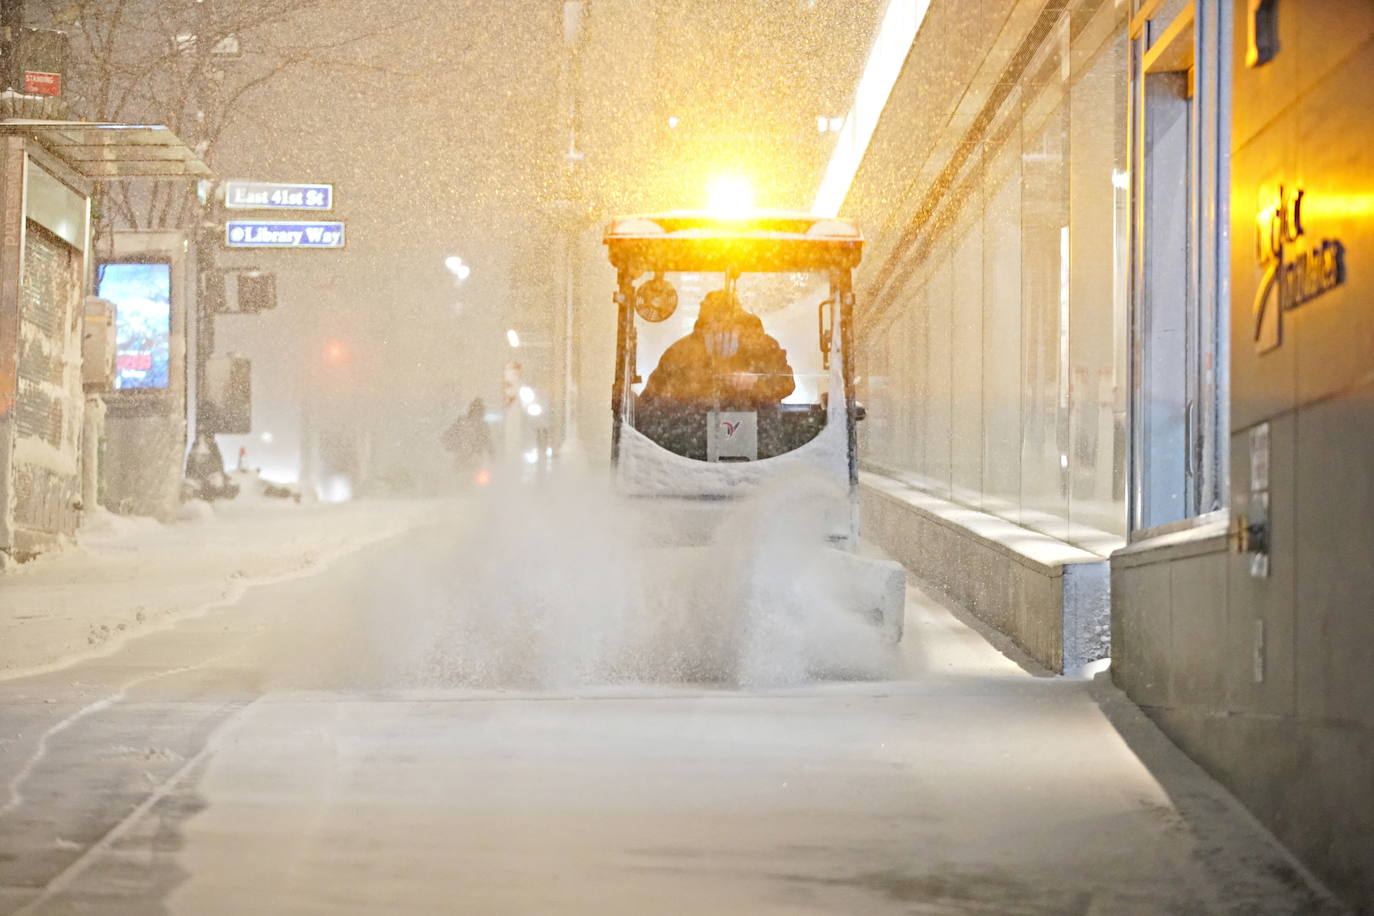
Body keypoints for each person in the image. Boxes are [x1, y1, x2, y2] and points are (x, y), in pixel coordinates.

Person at [641, 290, 794, 407]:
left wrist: (756, 382)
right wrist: (695, 387)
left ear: (739, 321)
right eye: (712, 321)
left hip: (762, 435)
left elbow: (786, 383)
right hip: (688, 438)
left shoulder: (763, 347)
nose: (720, 328)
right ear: (704, 323)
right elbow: (652, 397)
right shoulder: (681, 352)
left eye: (726, 321)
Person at [442, 397, 494, 478]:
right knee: (466, 481)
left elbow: (489, 445)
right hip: (468, 460)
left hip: (469, 461)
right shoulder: (480, 425)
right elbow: (489, 445)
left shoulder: (480, 425)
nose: (479, 412)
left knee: (464, 480)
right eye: (478, 410)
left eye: (480, 410)